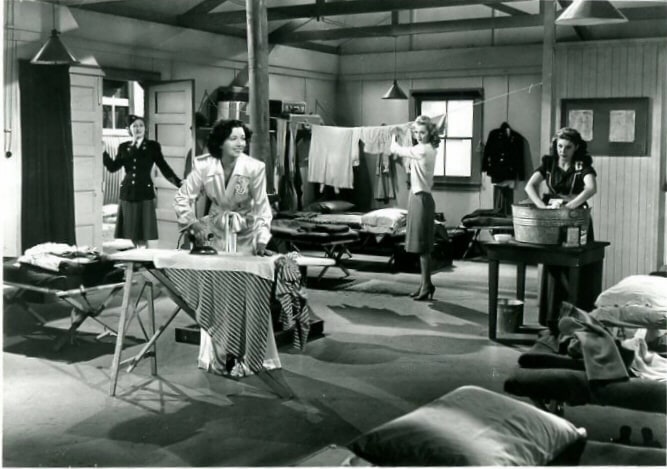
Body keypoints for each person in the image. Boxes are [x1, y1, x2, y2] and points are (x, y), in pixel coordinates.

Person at [174, 118, 272, 256]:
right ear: (220, 143)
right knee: (214, 274)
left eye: (243, 139)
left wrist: (262, 241)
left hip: (245, 235)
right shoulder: (204, 165)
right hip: (214, 233)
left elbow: (262, 208)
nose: (240, 144)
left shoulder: (254, 168)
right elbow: (181, 198)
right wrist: (193, 224)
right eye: (233, 139)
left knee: (241, 275)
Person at [103, 115, 182, 247]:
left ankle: (142, 256)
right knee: (131, 230)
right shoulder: (123, 147)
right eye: (135, 126)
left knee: (144, 231)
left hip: (144, 192)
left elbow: (164, 167)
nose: (138, 128)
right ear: (129, 129)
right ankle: (138, 256)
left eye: (141, 125)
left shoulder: (152, 146)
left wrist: (179, 183)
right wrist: (103, 153)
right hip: (127, 193)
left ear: (145, 128)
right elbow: (112, 167)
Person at [390, 115, 439, 301]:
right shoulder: (428, 148)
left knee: (422, 247)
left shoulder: (423, 150)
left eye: (423, 132)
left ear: (430, 132)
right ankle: (425, 284)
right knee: (421, 247)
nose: (419, 135)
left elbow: (396, 150)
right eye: (416, 132)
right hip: (417, 197)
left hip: (421, 199)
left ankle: (426, 285)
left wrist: (393, 135)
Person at [524, 127, 597, 212]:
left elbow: (591, 188)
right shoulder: (549, 163)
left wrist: (568, 207)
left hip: (575, 210)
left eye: (568, 147)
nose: (563, 151)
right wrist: (542, 207)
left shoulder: (581, 165)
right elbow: (529, 186)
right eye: (560, 146)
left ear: (576, 147)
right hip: (552, 210)